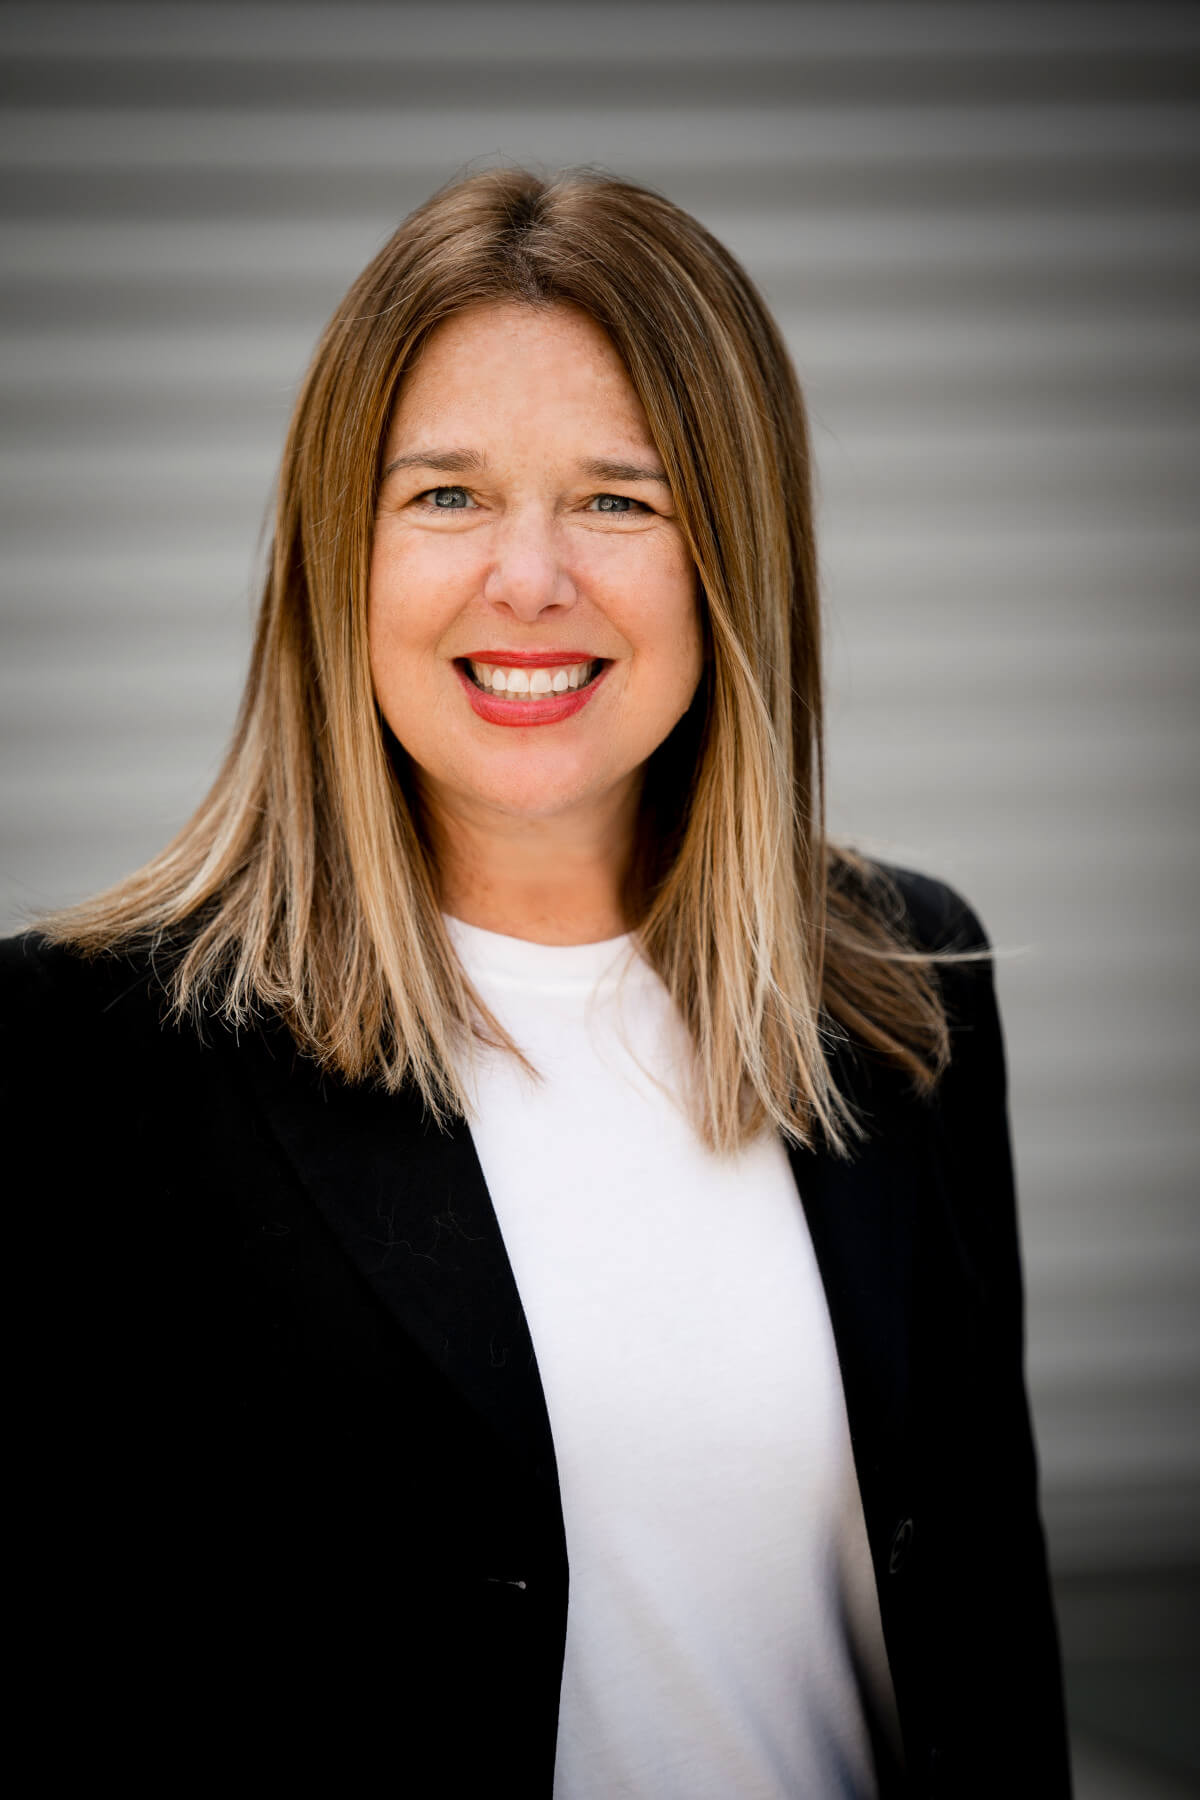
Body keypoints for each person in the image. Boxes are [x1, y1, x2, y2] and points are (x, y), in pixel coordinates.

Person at [2, 168, 1071, 1797]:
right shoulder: (86, 1053)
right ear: (332, 552)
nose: (528, 580)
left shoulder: (907, 988)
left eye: (619, 500)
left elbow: (991, 1620)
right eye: (444, 495)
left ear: (737, 560)